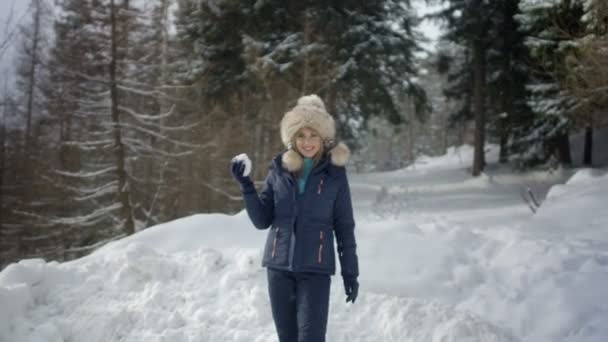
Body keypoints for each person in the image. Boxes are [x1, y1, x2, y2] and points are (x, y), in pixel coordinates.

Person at [230, 94, 359, 342]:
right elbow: (261, 220)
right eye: (301, 135)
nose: (307, 142)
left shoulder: (334, 174)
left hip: (315, 270)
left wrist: (350, 272)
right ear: (292, 138)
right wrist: (246, 186)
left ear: (323, 138)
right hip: (279, 269)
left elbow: (344, 227)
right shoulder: (279, 168)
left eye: (313, 135)